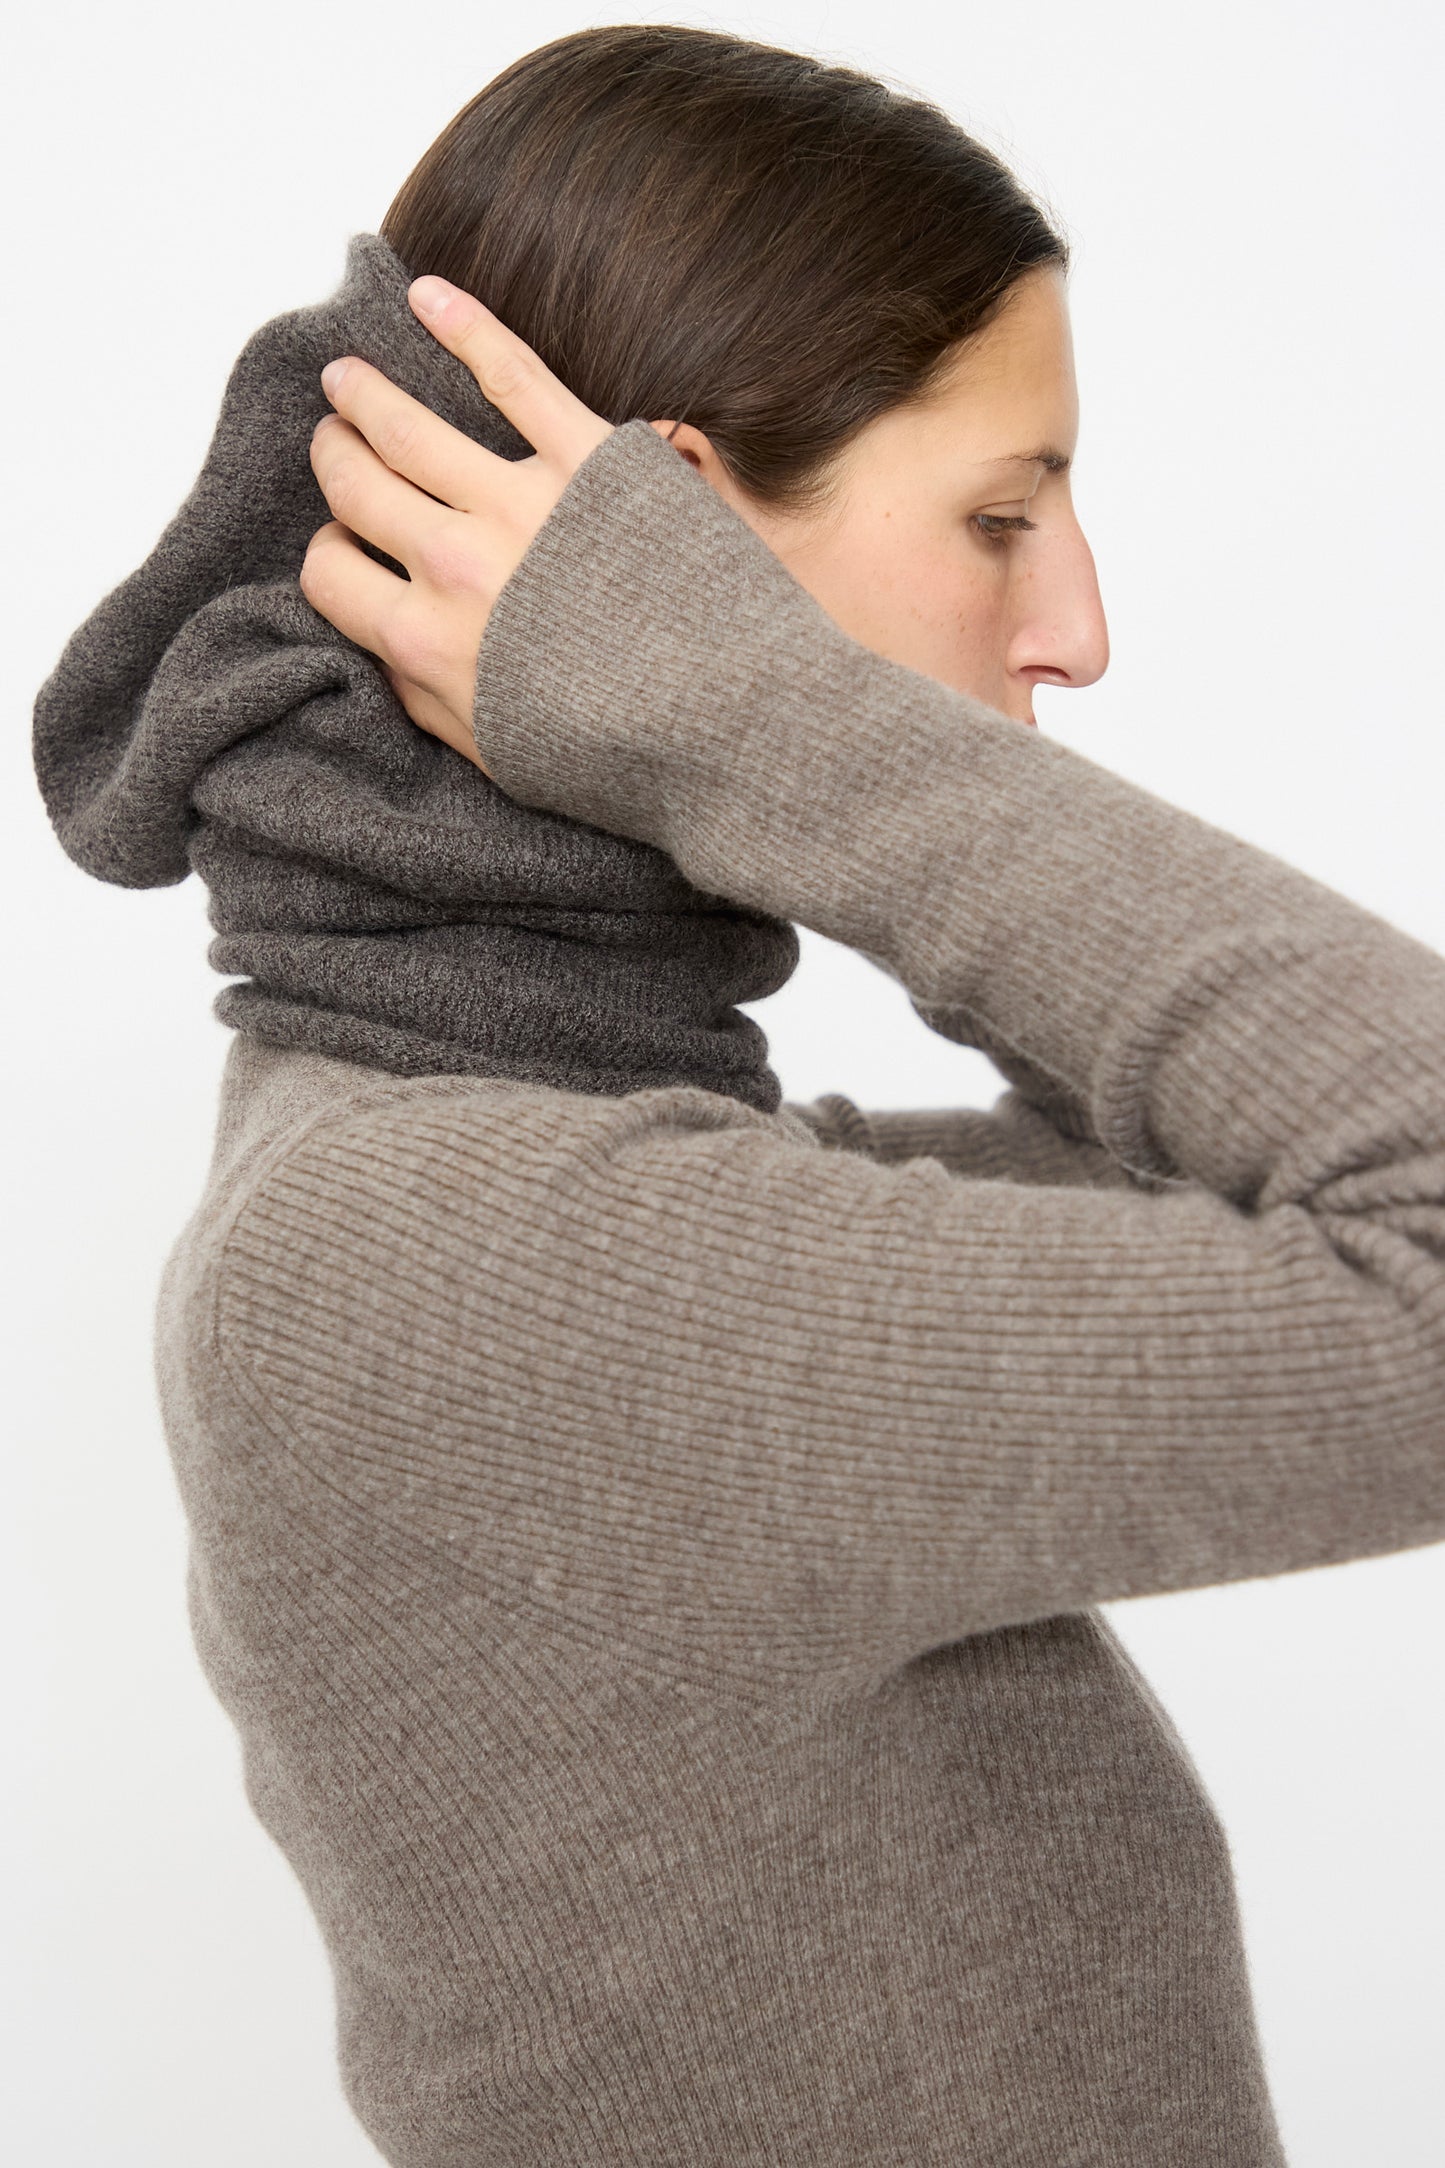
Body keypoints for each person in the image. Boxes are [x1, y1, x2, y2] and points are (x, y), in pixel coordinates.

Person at [32, 24, 1445, 2167]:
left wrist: (753, 733)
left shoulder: (533, 1168)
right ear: (662, 559)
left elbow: (1276, 1161)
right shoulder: (463, 1255)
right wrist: (764, 722)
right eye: (999, 511)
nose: (1076, 625)